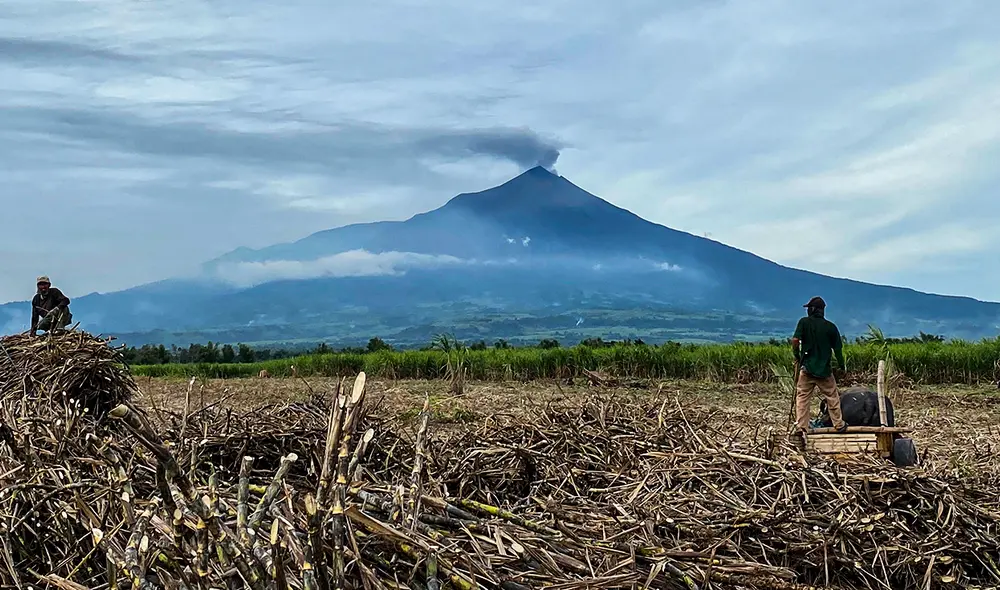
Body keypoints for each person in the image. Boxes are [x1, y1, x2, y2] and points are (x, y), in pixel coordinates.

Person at [791, 296, 847, 434]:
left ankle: (801, 427)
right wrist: (842, 366)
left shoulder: (803, 323)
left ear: (812, 309)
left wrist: (797, 356)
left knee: (803, 397)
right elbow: (838, 350)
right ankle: (838, 425)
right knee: (832, 396)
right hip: (824, 371)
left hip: (807, 368)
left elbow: (795, 340)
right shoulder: (831, 327)